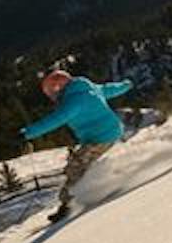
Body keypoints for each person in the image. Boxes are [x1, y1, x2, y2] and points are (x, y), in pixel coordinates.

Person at [21, 68, 133, 223]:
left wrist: (28, 133)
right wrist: (125, 85)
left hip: (100, 138)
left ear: (58, 87)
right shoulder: (88, 87)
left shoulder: (72, 102)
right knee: (84, 163)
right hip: (111, 131)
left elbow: (54, 120)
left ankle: (68, 204)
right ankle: (106, 181)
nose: (52, 97)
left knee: (75, 167)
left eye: (51, 92)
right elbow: (109, 89)